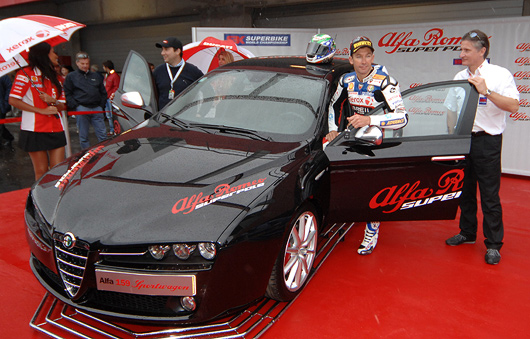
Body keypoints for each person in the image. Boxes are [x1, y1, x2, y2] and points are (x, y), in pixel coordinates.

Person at [326, 36, 408, 255]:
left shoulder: (385, 82)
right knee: (350, 181)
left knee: (373, 186)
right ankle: (346, 219)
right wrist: (332, 128)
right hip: (356, 134)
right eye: (359, 57)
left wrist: (370, 120)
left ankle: (371, 230)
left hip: (382, 137)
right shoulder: (346, 80)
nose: (364, 61)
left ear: (373, 57)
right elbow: (334, 106)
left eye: (368, 56)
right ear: (351, 59)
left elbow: (402, 118)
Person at [444, 30, 519, 265]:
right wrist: (451, 139)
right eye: (461, 49)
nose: (461, 53)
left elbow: (514, 106)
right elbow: (451, 110)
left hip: (487, 141)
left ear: (482, 51)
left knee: (489, 195)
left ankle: (494, 244)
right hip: (463, 141)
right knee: (464, 192)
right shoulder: (459, 76)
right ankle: (467, 232)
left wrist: (487, 91)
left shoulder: (500, 74)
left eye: (466, 50)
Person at [8, 42, 67, 180]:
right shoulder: (25, 74)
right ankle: (40, 200)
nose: (56, 55)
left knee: (57, 171)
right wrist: (42, 110)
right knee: (41, 173)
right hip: (34, 129)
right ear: (44, 55)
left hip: (56, 128)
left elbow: (62, 106)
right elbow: (13, 100)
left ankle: (54, 199)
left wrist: (53, 100)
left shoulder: (56, 77)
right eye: (52, 52)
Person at [64, 51, 108, 149]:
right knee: (83, 136)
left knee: (103, 135)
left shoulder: (96, 76)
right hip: (82, 109)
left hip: (97, 108)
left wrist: (101, 105)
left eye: (87, 64)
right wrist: (75, 106)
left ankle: (105, 153)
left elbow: (103, 92)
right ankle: (86, 155)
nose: (85, 66)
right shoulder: (71, 77)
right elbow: (67, 92)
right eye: (82, 64)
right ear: (77, 63)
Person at [153, 37, 203, 109]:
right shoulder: (158, 71)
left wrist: (202, 114)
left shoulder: (193, 71)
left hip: (184, 118)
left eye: (166, 49)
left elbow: (208, 90)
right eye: (162, 50)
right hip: (162, 119)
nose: (162, 53)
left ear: (177, 51)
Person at [102, 60, 120, 135]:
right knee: (108, 115)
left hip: (110, 98)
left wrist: (112, 96)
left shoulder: (114, 76)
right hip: (106, 97)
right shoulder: (107, 75)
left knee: (111, 115)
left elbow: (116, 87)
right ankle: (112, 129)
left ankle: (114, 130)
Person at [0, 74, 15, 150]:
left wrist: (6, 103)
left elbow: (9, 88)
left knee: (0, 126)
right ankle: (9, 137)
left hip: (1, 105)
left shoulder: (2, 74)